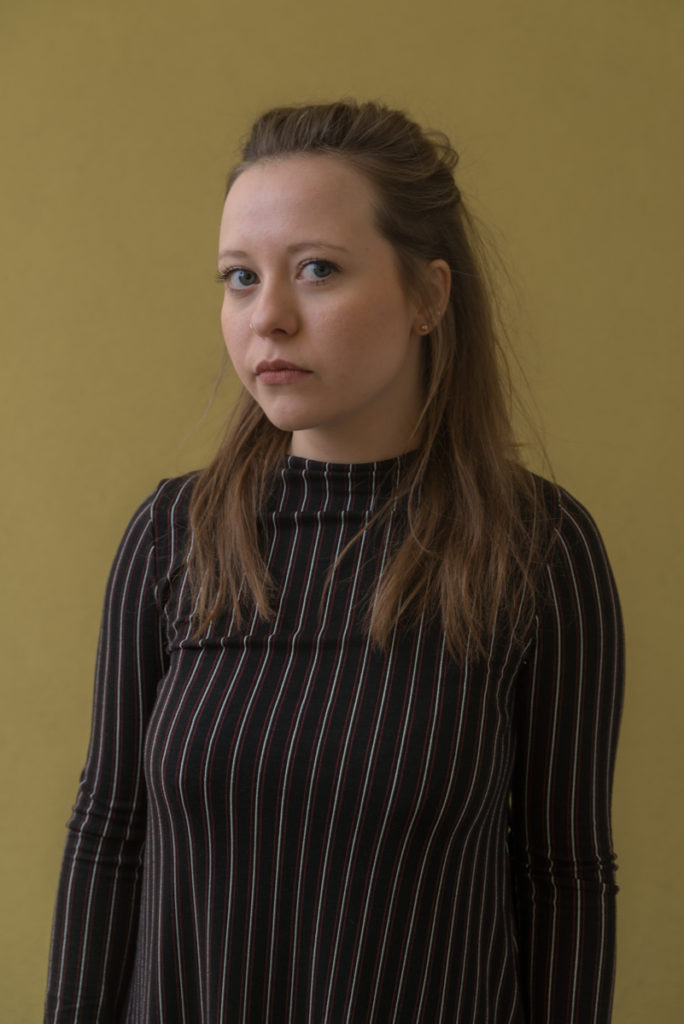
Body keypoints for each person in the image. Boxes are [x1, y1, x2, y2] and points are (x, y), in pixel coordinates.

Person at [44, 101, 624, 1023]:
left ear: (429, 296)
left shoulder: (538, 547)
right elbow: (108, 839)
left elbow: (563, 875)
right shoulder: (173, 535)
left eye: (317, 269)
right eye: (241, 278)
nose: (268, 318)